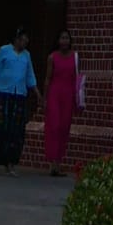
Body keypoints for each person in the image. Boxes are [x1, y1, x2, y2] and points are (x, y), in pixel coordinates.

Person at [0, 24, 38, 171]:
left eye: (26, 39)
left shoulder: (27, 55)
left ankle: (11, 162)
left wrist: (37, 94)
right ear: (16, 39)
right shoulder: (4, 51)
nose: (25, 42)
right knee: (0, 127)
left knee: (16, 130)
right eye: (22, 39)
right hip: (3, 93)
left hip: (19, 94)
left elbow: (30, 76)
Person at [42, 27, 82, 174]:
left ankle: (59, 162)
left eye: (67, 38)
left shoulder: (76, 57)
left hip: (68, 95)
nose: (64, 41)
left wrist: (79, 99)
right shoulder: (52, 57)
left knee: (64, 128)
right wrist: (45, 98)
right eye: (62, 38)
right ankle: (52, 162)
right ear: (58, 41)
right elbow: (47, 78)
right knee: (55, 126)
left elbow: (78, 79)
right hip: (55, 94)